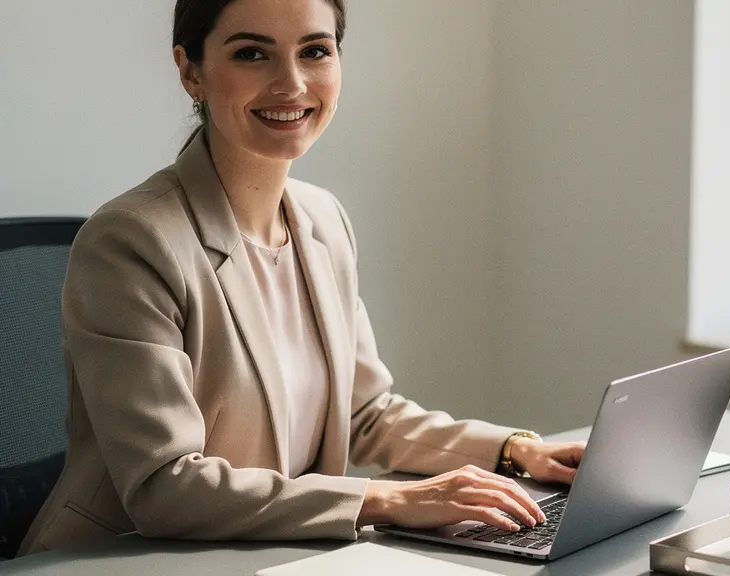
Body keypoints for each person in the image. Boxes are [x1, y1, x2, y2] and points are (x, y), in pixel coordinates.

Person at [18, 0, 585, 556]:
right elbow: (165, 486)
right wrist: (388, 500)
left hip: (276, 553)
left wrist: (515, 451)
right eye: (251, 54)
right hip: (124, 559)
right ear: (191, 72)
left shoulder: (323, 218)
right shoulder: (132, 240)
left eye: (314, 51)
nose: (291, 84)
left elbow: (364, 415)